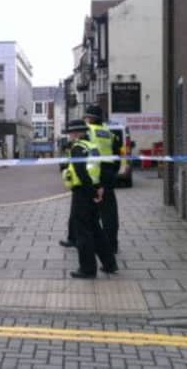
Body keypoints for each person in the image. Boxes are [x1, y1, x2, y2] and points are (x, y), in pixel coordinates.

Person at [61, 119, 118, 279]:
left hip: (82, 192)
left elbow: (81, 172)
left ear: (77, 133)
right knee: (96, 230)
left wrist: (91, 191)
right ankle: (109, 263)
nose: (70, 136)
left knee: (83, 233)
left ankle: (87, 269)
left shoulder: (78, 148)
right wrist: (98, 187)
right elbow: (95, 170)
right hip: (93, 189)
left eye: (71, 133)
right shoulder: (93, 147)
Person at [83, 105, 121, 254]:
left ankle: (90, 243)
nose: (86, 119)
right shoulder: (109, 133)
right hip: (108, 173)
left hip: (93, 174)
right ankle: (112, 245)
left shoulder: (88, 132)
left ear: (92, 118)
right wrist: (112, 172)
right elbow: (118, 156)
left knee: (88, 211)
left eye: (87, 117)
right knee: (110, 213)